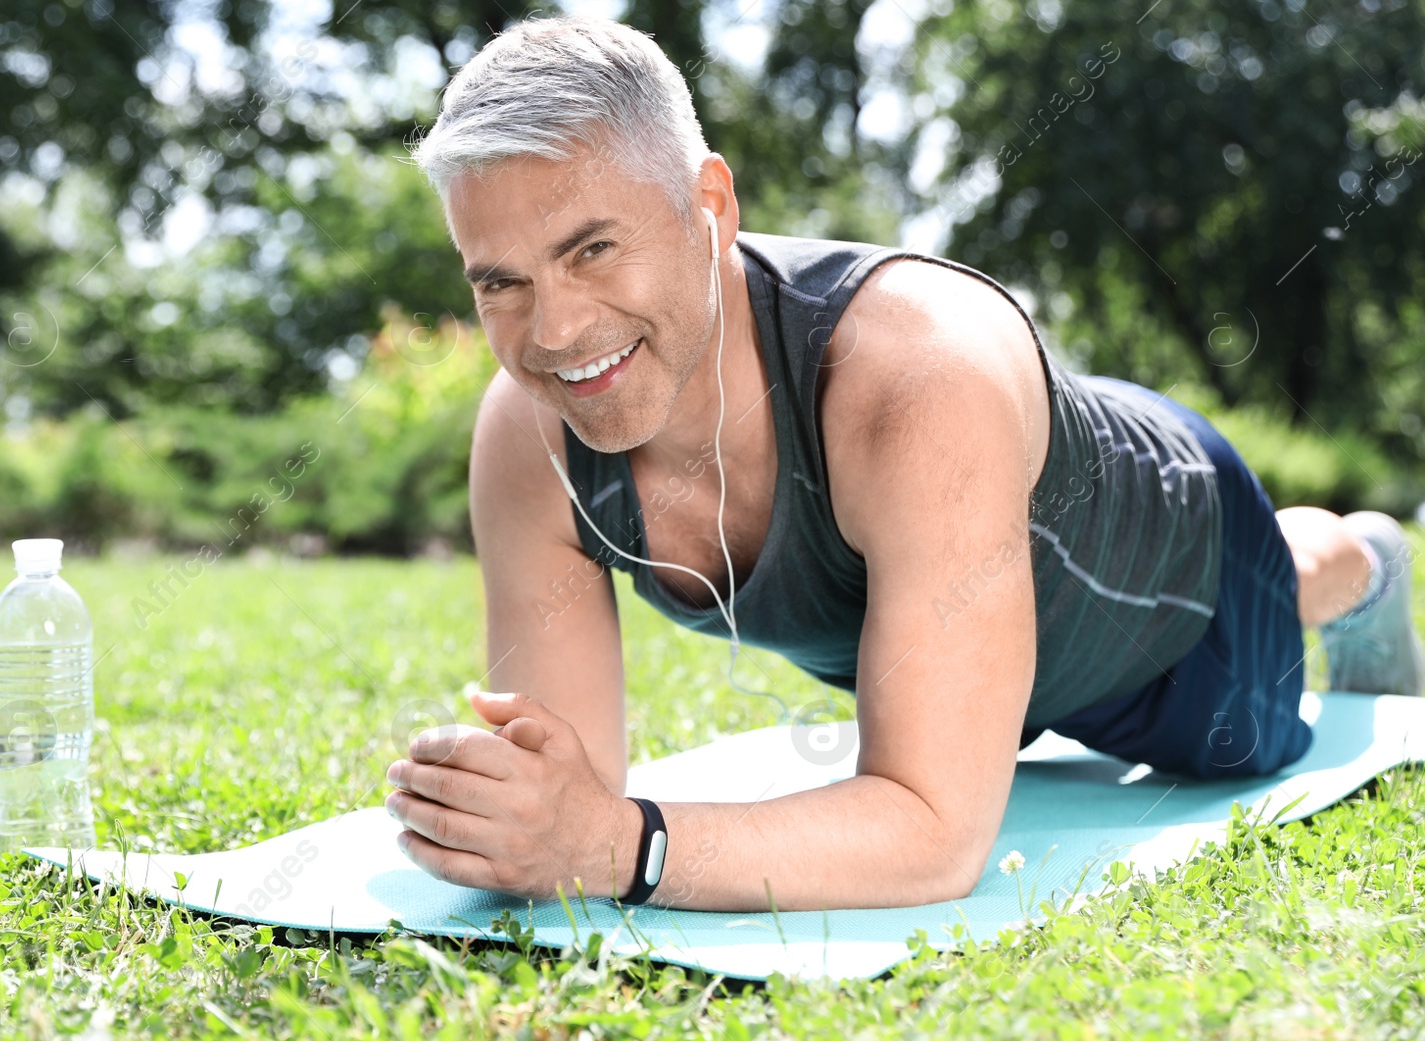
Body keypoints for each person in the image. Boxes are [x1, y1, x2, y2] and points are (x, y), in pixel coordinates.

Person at [381, 16, 1424, 912]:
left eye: (591, 249)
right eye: (500, 282)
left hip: (1170, 580)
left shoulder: (917, 374)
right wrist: (512, 811)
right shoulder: (529, 433)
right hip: (974, 627)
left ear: (708, 205)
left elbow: (933, 834)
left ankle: (1364, 561)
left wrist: (627, 846)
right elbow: (570, 794)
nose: (554, 330)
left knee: (1256, 660)